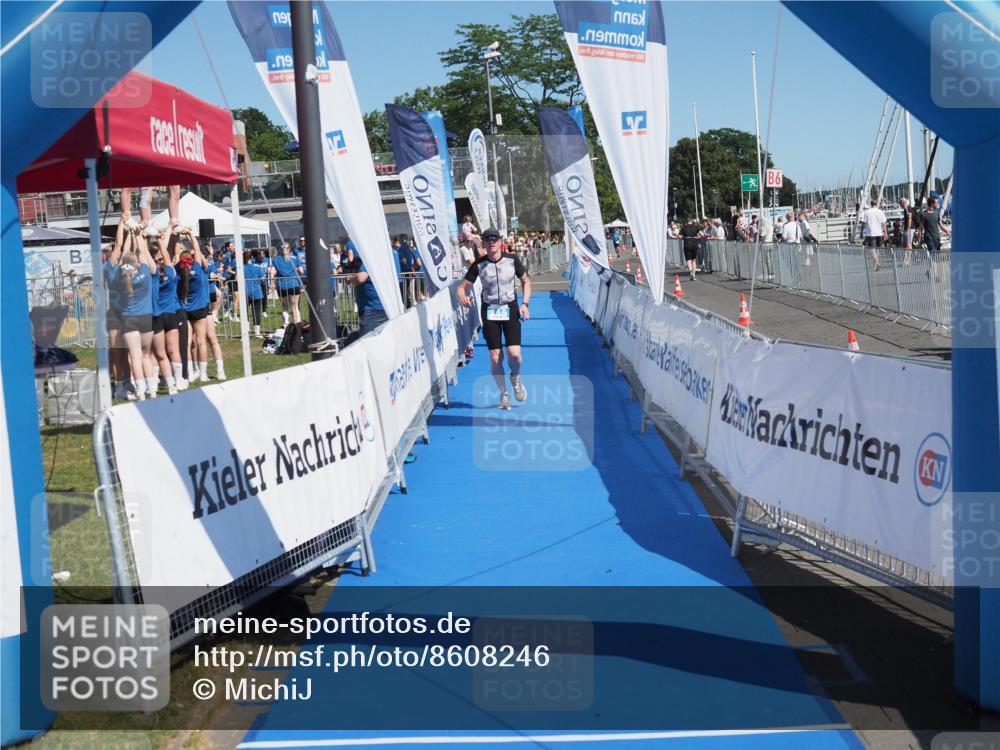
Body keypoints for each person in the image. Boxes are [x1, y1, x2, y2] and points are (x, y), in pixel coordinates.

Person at [457, 228, 531, 410]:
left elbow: (526, 281)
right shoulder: (479, 264)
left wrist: (525, 304)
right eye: (487, 240)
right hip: (490, 310)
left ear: (500, 242)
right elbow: (461, 288)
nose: (491, 242)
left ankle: (515, 376)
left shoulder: (512, 260)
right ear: (483, 243)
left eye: (494, 239)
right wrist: (463, 299)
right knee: (495, 356)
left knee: (515, 355)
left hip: (510, 308)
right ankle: (504, 394)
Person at [107, 218, 156, 400]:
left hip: (128, 319)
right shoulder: (144, 274)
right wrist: (137, 235)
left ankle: (141, 392)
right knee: (146, 356)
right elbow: (142, 253)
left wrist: (128, 233)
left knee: (134, 357)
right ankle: (152, 389)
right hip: (146, 318)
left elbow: (122, 254)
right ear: (136, 264)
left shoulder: (119, 277)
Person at [175, 227, 213, 384]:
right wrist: (190, 234)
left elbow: (177, 254)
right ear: (190, 260)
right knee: (201, 342)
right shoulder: (196, 269)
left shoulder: (177, 271)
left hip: (185, 310)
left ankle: (189, 373)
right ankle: (203, 374)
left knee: (187, 343)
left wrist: (176, 236)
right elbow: (197, 250)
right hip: (199, 310)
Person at [151, 231, 183, 393]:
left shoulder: (153, 277)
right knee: (174, 350)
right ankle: (178, 381)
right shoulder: (171, 274)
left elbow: (154, 261)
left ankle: (160, 380)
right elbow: (168, 258)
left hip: (157, 316)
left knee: (158, 353)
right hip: (171, 314)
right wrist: (160, 241)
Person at [349, 251, 388, 335]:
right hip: (379, 308)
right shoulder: (382, 262)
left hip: (372, 310)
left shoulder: (369, 262)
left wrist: (349, 279)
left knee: (368, 340)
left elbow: (360, 278)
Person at [272, 242, 303, 326]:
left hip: (281, 285)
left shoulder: (275, 259)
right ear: (290, 249)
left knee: (285, 306)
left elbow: (273, 272)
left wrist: (272, 283)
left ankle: (286, 323)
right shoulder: (295, 258)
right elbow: (301, 271)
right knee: (295, 306)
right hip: (293, 283)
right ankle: (297, 324)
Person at [243, 250, 267, 338]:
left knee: (244, 313)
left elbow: (237, 279)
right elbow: (263, 278)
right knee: (256, 312)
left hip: (245, 292)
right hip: (256, 292)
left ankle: (246, 331)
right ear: (252, 258)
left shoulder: (241, 268)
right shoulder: (257, 267)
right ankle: (257, 332)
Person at [859, 198, 888, 270]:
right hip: (879, 233)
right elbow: (884, 224)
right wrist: (885, 233)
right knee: (877, 249)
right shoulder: (880, 212)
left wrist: (861, 232)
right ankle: (876, 264)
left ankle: (877, 263)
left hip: (871, 233)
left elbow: (863, 223)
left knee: (872, 249)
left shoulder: (866, 212)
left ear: (871, 204)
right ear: (876, 204)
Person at [899, 197, 916, 266]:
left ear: (902, 202)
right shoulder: (906, 209)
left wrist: (908, 229)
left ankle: (907, 261)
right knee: (906, 245)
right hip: (908, 228)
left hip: (910, 229)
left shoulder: (907, 209)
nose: (899, 204)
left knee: (908, 245)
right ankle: (906, 261)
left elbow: (909, 218)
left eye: (900, 202)